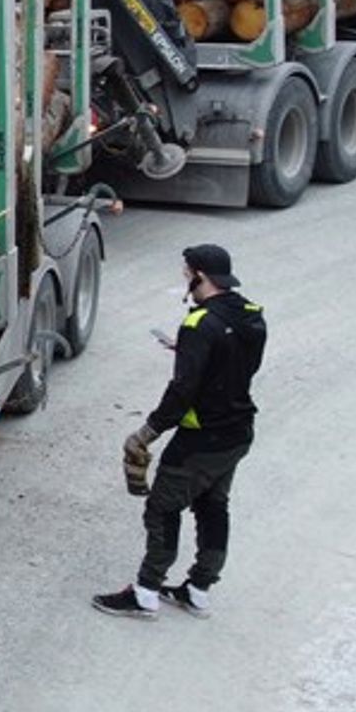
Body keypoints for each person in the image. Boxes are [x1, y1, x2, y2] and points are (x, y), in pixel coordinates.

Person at [94, 244, 267, 621]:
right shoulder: (251, 316)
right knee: (213, 507)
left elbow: (182, 391)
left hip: (200, 440)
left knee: (161, 509)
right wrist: (188, 349)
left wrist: (148, 431)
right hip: (237, 432)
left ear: (200, 277)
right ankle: (199, 590)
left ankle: (145, 592)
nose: (185, 278)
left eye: (187, 273)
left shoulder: (198, 325)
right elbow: (234, 360)